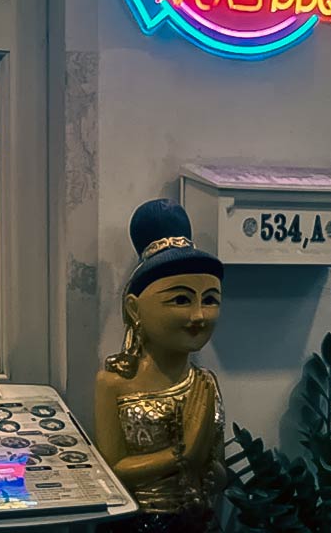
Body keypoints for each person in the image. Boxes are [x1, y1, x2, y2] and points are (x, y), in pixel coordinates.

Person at [94, 199, 225, 533]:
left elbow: (216, 466)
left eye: (209, 300)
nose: (198, 315)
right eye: (181, 299)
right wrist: (181, 457)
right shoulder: (115, 382)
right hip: (138, 522)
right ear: (135, 310)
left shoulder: (205, 383)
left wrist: (212, 472)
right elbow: (112, 469)